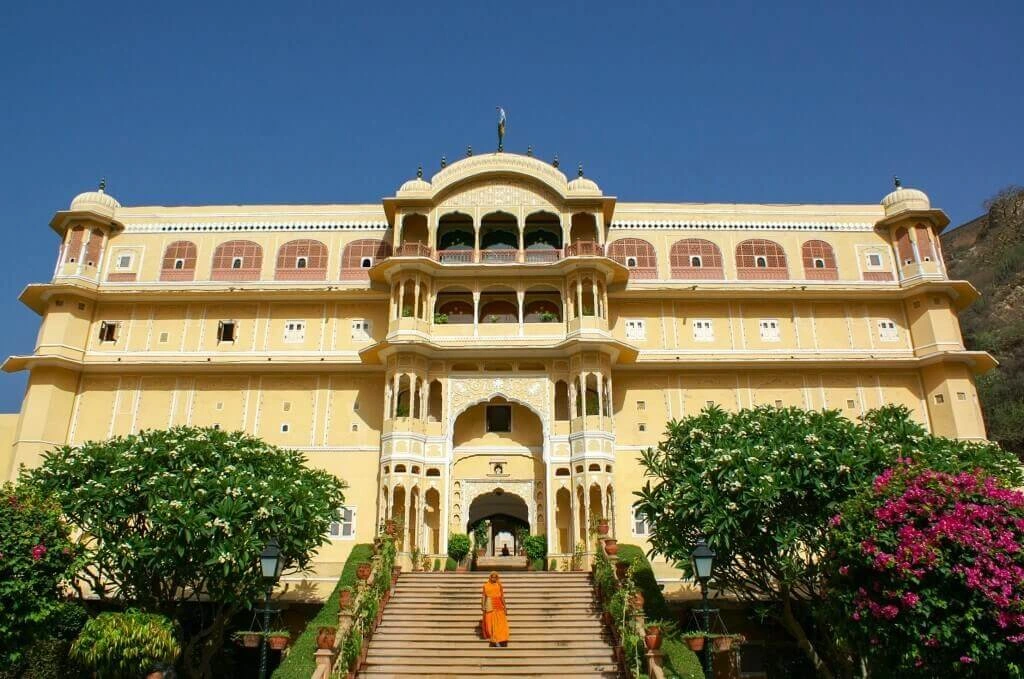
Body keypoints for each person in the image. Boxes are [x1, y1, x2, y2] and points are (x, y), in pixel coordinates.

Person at [481, 571, 509, 648]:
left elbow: (502, 597)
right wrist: (482, 606)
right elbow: (483, 597)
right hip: (490, 606)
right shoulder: (486, 586)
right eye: (492, 577)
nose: (494, 578)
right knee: (491, 626)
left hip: (499, 606)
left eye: (495, 577)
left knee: (500, 625)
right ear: (490, 577)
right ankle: (496, 640)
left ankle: (499, 640)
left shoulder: (499, 585)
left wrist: (505, 607)